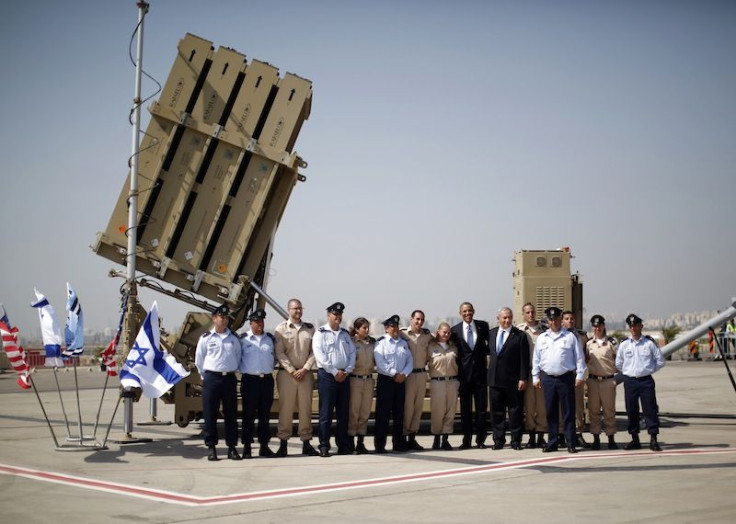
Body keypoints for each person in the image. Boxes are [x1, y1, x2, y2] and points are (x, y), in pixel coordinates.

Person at [532, 306, 586, 453]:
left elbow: (579, 358)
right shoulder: (542, 338)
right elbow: (536, 359)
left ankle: (570, 442)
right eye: (551, 319)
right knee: (551, 411)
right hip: (548, 379)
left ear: (561, 320)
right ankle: (552, 442)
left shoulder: (570, 337)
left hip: (566, 378)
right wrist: (535, 377)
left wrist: (580, 375)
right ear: (548, 320)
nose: (553, 322)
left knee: (568, 412)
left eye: (556, 319)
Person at [194, 305, 242, 461]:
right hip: (212, 379)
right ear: (214, 318)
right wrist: (205, 377)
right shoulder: (206, 338)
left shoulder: (234, 338)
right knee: (210, 414)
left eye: (226, 317)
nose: (224, 319)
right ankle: (211, 447)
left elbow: (238, 358)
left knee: (231, 414)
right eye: (221, 317)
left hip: (229, 378)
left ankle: (232, 447)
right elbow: (199, 360)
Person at [274, 298, 319, 457]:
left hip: (305, 375)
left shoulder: (310, 329)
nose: (298, 311)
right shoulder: (281, 328)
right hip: (287, 375)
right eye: (295, 309)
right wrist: (293, 370)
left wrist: (305, 368)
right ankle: (283, 444)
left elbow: (314, 351)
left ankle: (306, 442)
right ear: (288, 310)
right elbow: (279, 352)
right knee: (285, 410)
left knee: (306, 410)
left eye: (300, 308)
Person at [312, 302, 356, 457]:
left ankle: (343, 445)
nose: (338, 317)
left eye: (340, 314)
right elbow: (320, 356)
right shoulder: (320, 333)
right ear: (328, 315)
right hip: (327, 377)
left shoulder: (345, 334)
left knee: (343, 414)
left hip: (344, 376)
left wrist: (347, 370)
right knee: (326, 414)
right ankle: (324, 445)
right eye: (335, 314)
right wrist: (334, 371)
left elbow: (352, 354)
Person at [616, 313, 665, 451]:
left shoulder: (649, 343)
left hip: (645, 381)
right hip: (630, 381)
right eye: (631, 326)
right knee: (632, 411)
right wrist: (628, 372)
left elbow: (660, 361)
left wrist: (648, 370)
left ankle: (653, 439)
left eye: (635, 325)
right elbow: (619, 363)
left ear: (641, 326)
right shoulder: (624, 344)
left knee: (650, 410)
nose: (633, 328)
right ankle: (634, 439)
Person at [488, 307, 530, 450]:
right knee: (497, 413)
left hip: (513, 381)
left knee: (515, 412)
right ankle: (498, 440)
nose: (507, 320)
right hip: (495, 381)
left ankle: (516, 440)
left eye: (509, 317)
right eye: (504, 317)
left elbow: (524, 360)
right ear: (498, 318)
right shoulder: (491, 334)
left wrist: (523, 378)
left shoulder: (520, 335)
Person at [451, 302, 490, 449]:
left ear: (473, 311)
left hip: (480, 375)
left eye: (469, 311)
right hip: (464, 377)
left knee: (481, 409)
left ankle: (480, 440)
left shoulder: (483, 326)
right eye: (464, 311)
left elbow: (489, 346)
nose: (467, 313)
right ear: (460, 313)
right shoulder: (455, 331)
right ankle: (466, 440)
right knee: (465, 410)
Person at [238, 308, 277, 459]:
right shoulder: (243, 340)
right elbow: (237, 357)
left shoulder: (270, 339)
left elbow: (275, 358)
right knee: (248, 415)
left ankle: (264, 446)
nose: (260, 324)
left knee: (265, 415)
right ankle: (247, 447)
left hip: (266, 380)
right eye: (257, 322)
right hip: (250, 380)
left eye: (261, 321)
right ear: (251, 323)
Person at [374, 314, 413, 453]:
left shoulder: (403, 343)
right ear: (386, 329)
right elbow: (380, 363)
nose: (395, 329)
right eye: (392, 326)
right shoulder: (381, 343)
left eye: (396, 326)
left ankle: (398, 443)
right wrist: (394, 374)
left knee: (399, 414)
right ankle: (380, 445)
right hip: (386, 381)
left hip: (401, 381)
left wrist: (404, 374)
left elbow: (410, 361)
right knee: (383, 414)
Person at [400, 310, 432, 451]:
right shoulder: (403, 334)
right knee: (408, 407)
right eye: (417, 319)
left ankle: (412, 437)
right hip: (408, 375)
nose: (419, 322)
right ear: (411, 319)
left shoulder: (427, 336)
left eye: (422, 320)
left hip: (421, 374)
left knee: (418, 408)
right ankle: (403, 436)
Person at [516, 302, 547, 449]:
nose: (530, 315)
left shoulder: (545, 330)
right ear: (523, 314)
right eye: (527, 312)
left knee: (541, 405)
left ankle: (541, 435)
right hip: (527, 372)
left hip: (541, 372)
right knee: (529, 405)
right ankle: (531, 436)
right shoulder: (519, 331)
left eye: (532, 312)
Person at [585, 314, 618, 450]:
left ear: (604, 326)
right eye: (595, 326)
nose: (597, 328)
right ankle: (596, 438)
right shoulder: (588, 344)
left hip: (607, 381)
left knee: (609, 411)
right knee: (593, 411)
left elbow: (619, 360)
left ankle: (611, 438)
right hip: (593, 381)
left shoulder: (612, 343)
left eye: (599, 325)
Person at [427, 321, 460, 450]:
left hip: (452, 382)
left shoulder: (454, 347)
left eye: (448, 332)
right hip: (437, 382)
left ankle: (446, 438)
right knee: (437, 412)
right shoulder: (430, 347)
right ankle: (436, 437)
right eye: (444, 332)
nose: (446, 334)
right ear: (438, 332)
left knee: (450, 412)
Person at [561, 310, 590, 449]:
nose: (570, 321)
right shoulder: (558, 335)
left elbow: (586, 356)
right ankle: (563, 434)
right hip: (563, 375)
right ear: (562, 321)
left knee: (578, 406)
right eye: (566, 318)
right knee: (562, 406)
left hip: (576, 376)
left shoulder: (582, 336)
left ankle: (578, 433)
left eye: (572, 318)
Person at [349, 317, 375, 454]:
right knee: (354, 412)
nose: (366, 330)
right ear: (357, 329)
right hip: (355, 380)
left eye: (367, 327)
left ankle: (361, 442)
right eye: (363, 328)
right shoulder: (351, 343)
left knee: (365, 412)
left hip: (368, 380)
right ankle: (351, 442)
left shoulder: (372, 343)